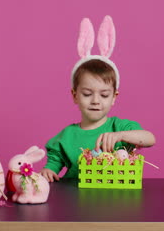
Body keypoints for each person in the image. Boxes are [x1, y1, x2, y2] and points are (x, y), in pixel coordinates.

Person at [40, 16, 156, 182]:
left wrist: (121, 136)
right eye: (87, 94)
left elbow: (150, 139)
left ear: (114, 97)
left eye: (104, 95)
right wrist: (48, 171)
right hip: (76, 199)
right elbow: (52, 166)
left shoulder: (120, 127)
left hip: (115, 200)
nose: (95, 101)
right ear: (75, 96)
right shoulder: (67, 136)